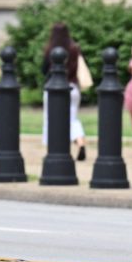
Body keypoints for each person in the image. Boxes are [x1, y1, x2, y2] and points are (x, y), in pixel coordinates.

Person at [41, 22, 87, 161]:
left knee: (50, 118)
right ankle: (80, 142)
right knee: (72, 118)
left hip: (53, 88)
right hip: (73, 87)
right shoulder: (74, 49)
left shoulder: (50, 49)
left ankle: (53, 148)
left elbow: (43, 69)